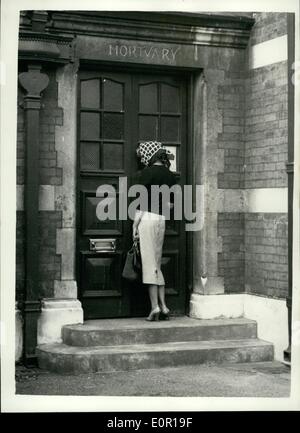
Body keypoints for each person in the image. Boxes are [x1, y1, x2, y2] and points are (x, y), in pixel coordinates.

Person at [132, 141, 177, 321]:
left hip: (147, 219)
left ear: (148, 155)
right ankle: (164, 306)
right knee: (157, 263)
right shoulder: (170, 175)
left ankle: (154, 307)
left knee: (149, 264)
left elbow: (141, 202)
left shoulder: (146, 173)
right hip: (161, 219)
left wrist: (135, 225)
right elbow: (171, 203)